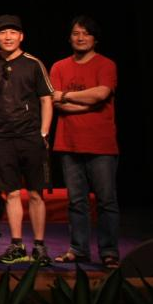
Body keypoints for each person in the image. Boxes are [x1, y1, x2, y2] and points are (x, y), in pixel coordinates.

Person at [0, 15, 54, 265]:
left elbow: (46, 99)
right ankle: (16, 245)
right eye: (3, 33)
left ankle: (40, 246)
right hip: (2, 138)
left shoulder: (33, 64)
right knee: (11, 193)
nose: (8, 37)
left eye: (13, 32)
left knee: (35, 193)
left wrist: (43, 132)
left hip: (31, 136)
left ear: (21, 36)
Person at [50, 16, 119, 268]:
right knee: (76, 201)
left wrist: (68, 96)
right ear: (70, 37)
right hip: (69, 143)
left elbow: (101, 94)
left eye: (86, 34)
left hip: (101, 143)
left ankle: (109, 251)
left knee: (106, 200)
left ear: (95, 39)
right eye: (76, 33)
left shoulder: (106, 64)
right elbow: (56, 102)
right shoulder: (59, 67)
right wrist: (86, 102)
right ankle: (78, 249)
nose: (80, 38)